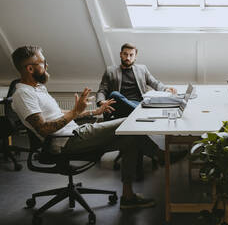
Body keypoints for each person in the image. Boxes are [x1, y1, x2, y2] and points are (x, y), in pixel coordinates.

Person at [10, 45, 185, 209]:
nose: (47, 65)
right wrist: (75, 112)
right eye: (42, 63)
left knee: (130, 138)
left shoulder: (38, 88)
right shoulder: (23, 94)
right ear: (30, 69)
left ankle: (128, 197)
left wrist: (93, 112)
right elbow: (43, 129)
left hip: (74, 134)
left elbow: (58, 114)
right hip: (66, 141)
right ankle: (161, 156)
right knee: (128, 124)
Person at [96, 43, 177, 118]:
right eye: (125, 54)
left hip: (138, 103)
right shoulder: (110, 71)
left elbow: (154, 82)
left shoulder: (142, 69)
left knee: (149, 102)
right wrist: (101, 102)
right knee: (114, 95)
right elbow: (102, 90)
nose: (128, 58)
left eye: (131, 55)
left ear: (135, 56)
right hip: (119, 105)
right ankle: (142, 112)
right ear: (120, 54)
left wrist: (165, 89)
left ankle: (138, 111)